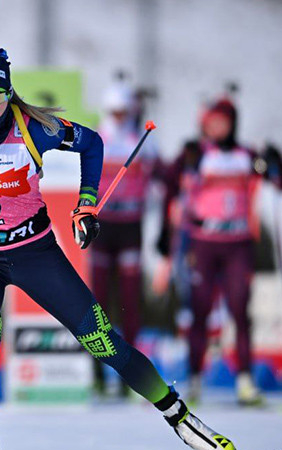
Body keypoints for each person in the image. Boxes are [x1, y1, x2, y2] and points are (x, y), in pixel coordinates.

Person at [0, 45, 239, 450]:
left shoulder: (36, 128)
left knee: (104, 342)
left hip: (33, 252)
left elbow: (92, 144)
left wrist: (85, 204)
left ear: (9, 94)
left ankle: (187, 425)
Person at [156, 98, 282, 406]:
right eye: (211, 122)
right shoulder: (199, 154)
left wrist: (277, 160)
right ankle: (195, 382)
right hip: (204, 241)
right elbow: (167, 184)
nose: (215, 128)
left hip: (238, 242)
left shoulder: (247, 155)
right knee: (199, 311)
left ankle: (245, 382)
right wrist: (166, 233)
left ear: (232, 123)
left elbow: (281, 184)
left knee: (240, 310)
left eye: (221, 122)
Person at [90, 82, 161, 396]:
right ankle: (98, 373)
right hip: (102, 227)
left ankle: (129, 375)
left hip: (132, 225)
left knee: (130, 301)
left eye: (124, 111)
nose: (119, 117)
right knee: (98, 301)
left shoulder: (143, 139)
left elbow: (159, 185)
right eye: (114, 112)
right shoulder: (98, 137)